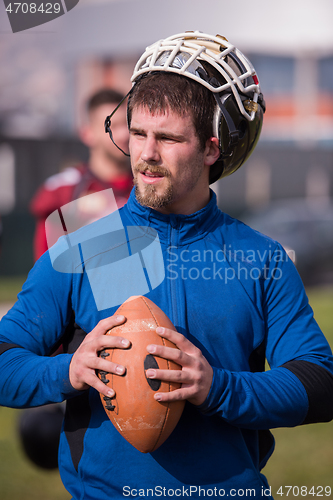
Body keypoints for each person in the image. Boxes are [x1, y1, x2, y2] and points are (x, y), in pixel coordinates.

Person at [1, 31, 333, 499]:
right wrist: (68, 372)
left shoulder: (261, 258)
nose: (146, 154)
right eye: (138, 134)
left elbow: (320, 382)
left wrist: (219, 389)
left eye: (168, 138)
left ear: (212, 149)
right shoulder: (83, 246)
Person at [30, 88, 133, 261]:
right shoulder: (64, 190)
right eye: (111, 126)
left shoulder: (147, 185)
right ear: (87, 133)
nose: (124, 134)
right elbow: (47, 268)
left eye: (127, 124)